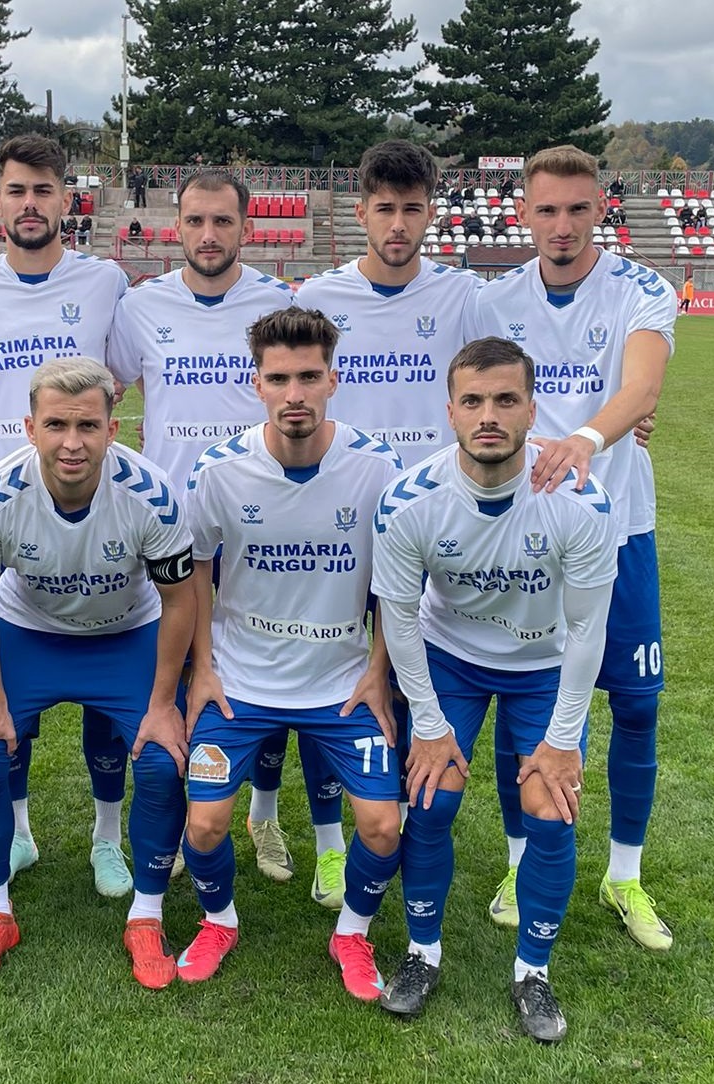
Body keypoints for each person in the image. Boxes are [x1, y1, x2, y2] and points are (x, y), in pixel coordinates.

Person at [108, 172, 347, 901]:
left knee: (261, 673)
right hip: (164, 525)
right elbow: (108, 391)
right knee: (183, 677)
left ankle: (263, 815)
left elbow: (309, 394)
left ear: (247, 226)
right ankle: (185, 818)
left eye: (222, 221)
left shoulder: (278, 305)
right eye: (194, 221)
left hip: (257, 523)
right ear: (175, 226)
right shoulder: (139, 306)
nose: (208, 235)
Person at [370, 336, 618, 1039]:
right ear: (449, 411)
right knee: (431, 799)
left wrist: (562, 741)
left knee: (550, 809)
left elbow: (587, 630)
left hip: (544, 665)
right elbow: (400, 619)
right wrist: (427, 724)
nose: (488, 416)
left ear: (532, 411)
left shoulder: (581, 502)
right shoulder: (409, 501)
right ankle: (422, 954)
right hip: (451, 659)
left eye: (506, 400)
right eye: (473, 401)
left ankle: (532, 972)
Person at [465, 144, 677, 953]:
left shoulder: (640, 289)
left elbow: (642, 386)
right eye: (547, 210)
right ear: (523, 213)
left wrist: (588, 439)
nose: (562, 225)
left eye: (577, 209)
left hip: (619, 527)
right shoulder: (495, 299)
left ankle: (625, 873)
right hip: (525, 536)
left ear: (600, 209)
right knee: (526, 701)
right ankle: (521, 864)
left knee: (637, 704)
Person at [177, 307, 404, 1000]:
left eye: (309, 376)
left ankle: (352, 933)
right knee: (205, 823)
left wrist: (377, 671)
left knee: (383, 826)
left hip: (341, 682)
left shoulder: (377, 467)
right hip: (241, 682)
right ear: (258, 385)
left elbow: (397, 581)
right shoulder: (219, 470)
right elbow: (196, 569)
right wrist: (204, 668)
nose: (294, 394)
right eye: (279, 379)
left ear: (333, 379)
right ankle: (219, 920)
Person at [0, 357, 195, 988]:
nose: (72, 442)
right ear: (29, 427)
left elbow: (179, 600)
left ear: (113, 428)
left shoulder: (152, 493)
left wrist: (164, 703)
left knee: (162, 760)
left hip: (125, 635)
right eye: (56, 425)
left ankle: (146, 916)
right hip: (29, 634)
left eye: (87, 425)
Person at [0, 134, 134, 892]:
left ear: (66, 200)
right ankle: (18, 832)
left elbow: (116, 385)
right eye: (16, 190)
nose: (30, 204)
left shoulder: (105, 280)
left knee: (106, 659)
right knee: (0, 683)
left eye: (43, 190)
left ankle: (108, 837)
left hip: (89, 497)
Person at [294, 138, 481, 470]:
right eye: (385, 209)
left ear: (431, 215)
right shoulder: (316, 298)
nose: (398, 225)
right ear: (361, 214)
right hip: (346, 483)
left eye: (411, 209)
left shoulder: (466, 294)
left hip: (438, 485)